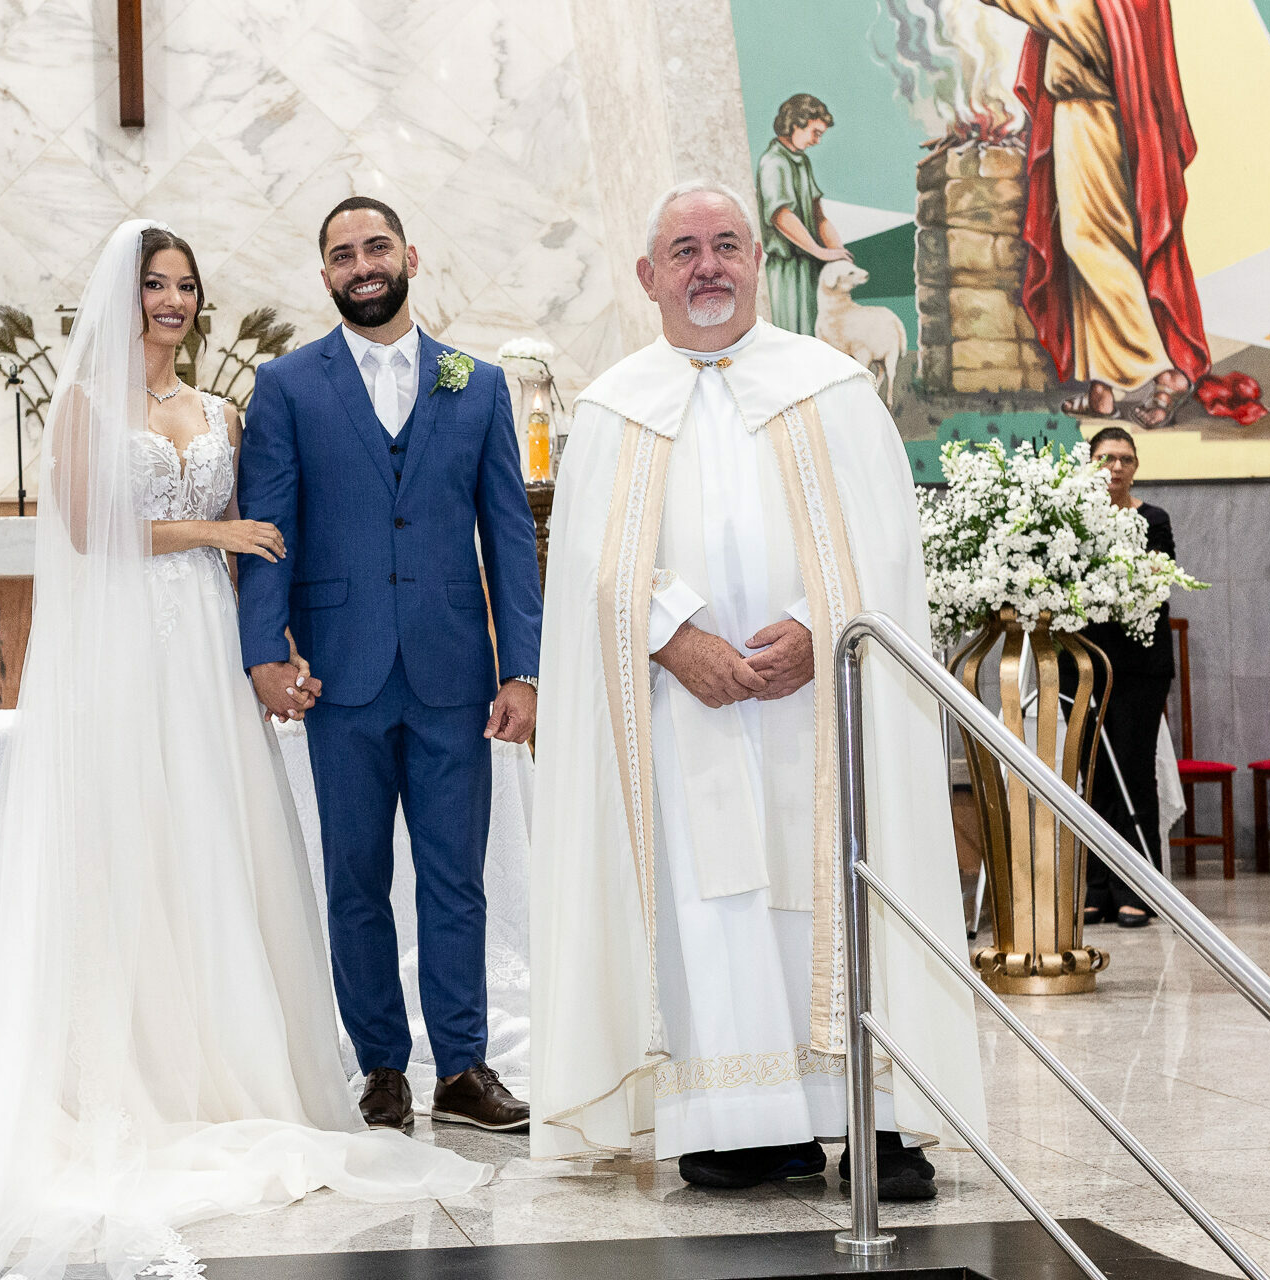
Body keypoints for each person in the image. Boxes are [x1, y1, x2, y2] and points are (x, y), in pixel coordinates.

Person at [0, 220, 488, 1278]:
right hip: (126, 645)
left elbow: (266, 542)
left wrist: (275, 648)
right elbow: (87, 530)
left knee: (212, 840)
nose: (170, 301)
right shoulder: (83, 406)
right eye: (153, 285)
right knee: (127, 838)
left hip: (204, 649)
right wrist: (214, 533)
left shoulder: (221, 409)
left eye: (184, 286)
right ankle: (126, 1066)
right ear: (124, 300)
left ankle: (229, 1061)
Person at [530, 181, 984, 1201]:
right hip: (684, 711)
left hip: (826, 707)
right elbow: (589, 564)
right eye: (684, 249)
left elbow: (888, 547)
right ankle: (743, 1123)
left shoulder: (831, 386)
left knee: (847, 877)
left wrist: (824, 626)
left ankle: (880, 1117)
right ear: (649, 276)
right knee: (714, 898)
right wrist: (670, 636)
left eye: (728, 244)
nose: (708, 266)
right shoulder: (613, 407)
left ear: (757, 263)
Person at [237, 197, 544, 1135]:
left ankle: (463, 1067)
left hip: (454, 672)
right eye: (343, 255)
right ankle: (380, 1065)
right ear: (324, 275)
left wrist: (523, 670)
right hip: (341, 672)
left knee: (457, 878)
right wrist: (265, 652)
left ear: (410, 256)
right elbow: (268, 529)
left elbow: (509, 537)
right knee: (355, 878)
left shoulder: (477, 384)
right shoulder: (286, 386)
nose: (362, 265)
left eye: (376, 247)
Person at [981, 0, 1210, 428]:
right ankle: (1102, 388)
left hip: (1092, 118)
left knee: (1089, 244)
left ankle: (1165, 372)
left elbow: (1048, 10)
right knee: (1087, 250)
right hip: (1077, 116)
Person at [1072, 425, 1176, 926]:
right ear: (1090, 464)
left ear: (1136, 467)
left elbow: (1158, 580)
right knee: (1093, 775)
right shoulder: (1073, 520)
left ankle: (1138, 887)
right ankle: (1096, 886)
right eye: (1106, 458)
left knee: (1134, 771)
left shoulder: (1154, 519)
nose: (1116, 467)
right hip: (1086, 664)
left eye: (1125, 459)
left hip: (1141, 666)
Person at [755, 93, 850, 336]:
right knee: (794, 336)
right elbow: (781, 215)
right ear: (796, 124)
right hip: (788, 273)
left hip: (811, 266)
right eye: (815, 133)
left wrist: (838, 252)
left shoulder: (802, 161)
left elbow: (819, 217)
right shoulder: (773, 162)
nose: (817, 141)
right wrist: (821, 251)